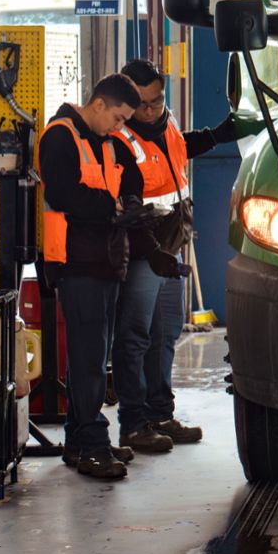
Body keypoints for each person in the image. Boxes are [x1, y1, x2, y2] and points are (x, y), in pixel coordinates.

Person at [109, 58, 235, 454]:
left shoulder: (167, 122)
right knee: (134, 337)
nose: (151, 111)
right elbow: (125, 207)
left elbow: (178, 151)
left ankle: (160, 413)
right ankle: (133, 424)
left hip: (170, 246)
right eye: (143, 104)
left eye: (157, 101)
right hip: (144, 252)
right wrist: (152, 253)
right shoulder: (120, 140)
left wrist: (216, 136)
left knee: (165, 334)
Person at [38, 74, 145, 481]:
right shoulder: (60, 137)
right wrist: (113, 209)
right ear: (98, 104)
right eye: (117, 117)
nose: (119, 127)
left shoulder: (108, 142)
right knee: (88, 360)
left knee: (93, 356)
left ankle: (79, 441)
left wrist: (131, 200)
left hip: (105, 261)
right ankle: (93, 446)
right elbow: (65, 194)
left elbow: (130, 173)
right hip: (76, 263)